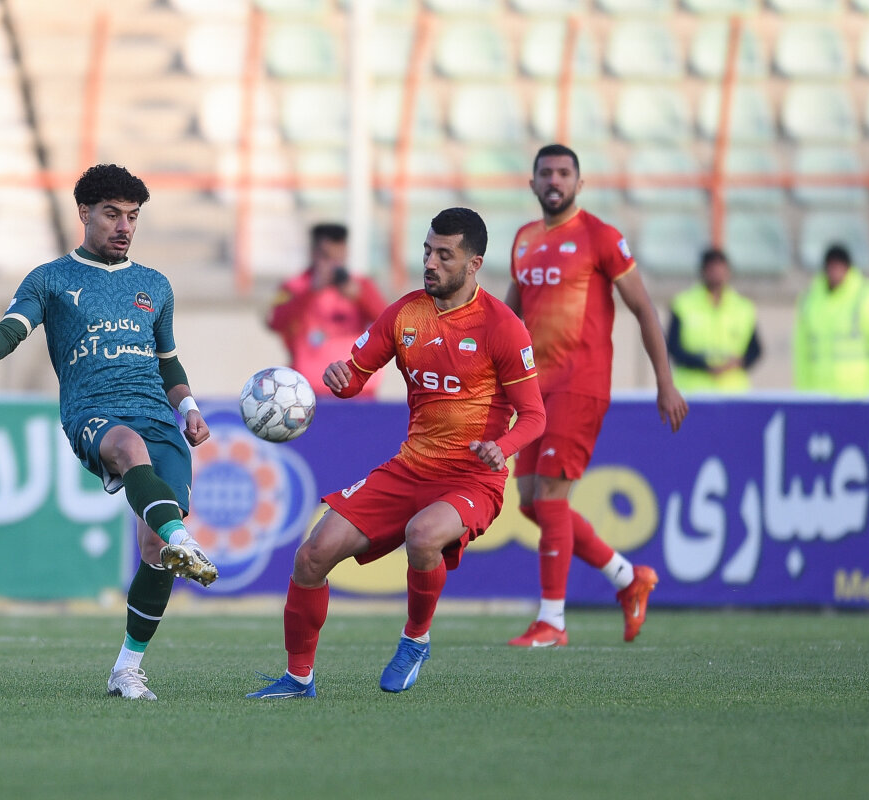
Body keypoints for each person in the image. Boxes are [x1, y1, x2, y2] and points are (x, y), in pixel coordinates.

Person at [247, 207, 546, 699]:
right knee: (311, 556)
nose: (430, 263)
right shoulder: (406, 313)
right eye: (427, 251)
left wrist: (502, 447)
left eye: (444, 255)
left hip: (472, 477)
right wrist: (341, 378)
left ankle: (415, 640)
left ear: (474, 264)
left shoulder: (502, 326)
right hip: (409, 468)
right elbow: (355, 376)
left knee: (423, 535)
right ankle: (298, 679)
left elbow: (534, 416)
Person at [0, 164, 218, 701]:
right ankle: (183, 539)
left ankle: (126, 670)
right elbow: (15, 326)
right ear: (84, 213)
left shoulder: (154, 286)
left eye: (133, 217)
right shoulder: (51, 279)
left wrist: (188, 406)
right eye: (112, 214)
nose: (124, 227)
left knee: (154, 550)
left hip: (158, 417)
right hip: (93, 412)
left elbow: (167, 360)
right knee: (129, 450)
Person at [505, 143, 689, 648]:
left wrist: (665, 381)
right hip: (534, 389)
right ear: (533, 183)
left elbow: (644, 308)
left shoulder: (600, 236)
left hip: (580, 383)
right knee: (531, 503)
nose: (554, 180)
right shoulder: (523, 239)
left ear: (579, 184)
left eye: (564, 173)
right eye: (546, 172)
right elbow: (510, 316)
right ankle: (628, 578)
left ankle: (552, 622)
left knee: (550, 497)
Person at [267, 223, 388, 397]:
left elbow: (388, 322)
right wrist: (310, 292)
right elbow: (275, 322)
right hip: (307, 390)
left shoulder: (360, 286)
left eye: (339, 258)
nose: (334, 265)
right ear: (313, 254)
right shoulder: (295, 286)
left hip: (357, 389)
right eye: (327, 257)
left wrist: (361, 297)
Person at [793, 243, 869, 397]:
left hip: (859, 398)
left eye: (839, 266)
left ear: (848, 268)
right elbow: (802, 352)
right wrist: (804, 395)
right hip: (819, 396)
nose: (835, 272)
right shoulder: (809, 301)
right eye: (831, 267)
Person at [666, 247, 762, 393]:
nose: (717, 275)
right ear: (703, 271)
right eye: (712, 270)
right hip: (693, 391)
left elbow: (755, 350)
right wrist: (705, 366)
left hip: (733, 391)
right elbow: (673, 348)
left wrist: (737, 363)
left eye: (721, 270)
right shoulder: (683, 304)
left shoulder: (743, 307)